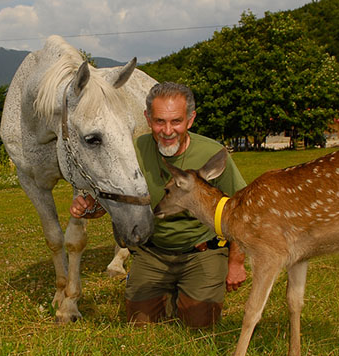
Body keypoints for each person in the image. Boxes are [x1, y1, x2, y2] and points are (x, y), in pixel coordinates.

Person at [70, 82, 247, 327]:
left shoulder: (213, 154)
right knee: (140, 323)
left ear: (190, 119)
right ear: (147, 118)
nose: (167, 131)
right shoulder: (135, 151)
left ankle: (188, 291)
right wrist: (90, 208)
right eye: (159, 121)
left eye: (176, 121)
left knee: (199, 325)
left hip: (201, 252)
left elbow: (242, 210)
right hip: (153, 253)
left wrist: (236, 262)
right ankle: (168, 292)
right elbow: (121, 195)